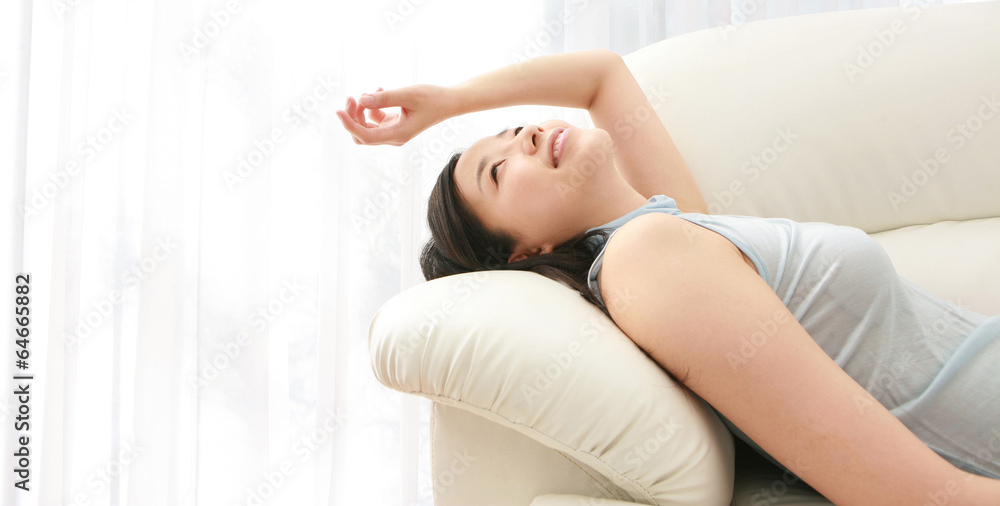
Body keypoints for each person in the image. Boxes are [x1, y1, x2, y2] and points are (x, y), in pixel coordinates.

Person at [336, 49, 1000, 505]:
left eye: (514, 130)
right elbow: (913, 495)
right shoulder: (646, 261)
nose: (528, 136)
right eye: (499, 170)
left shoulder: (672, 226)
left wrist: (451, 101)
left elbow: (601, 76)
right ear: (523, 253)